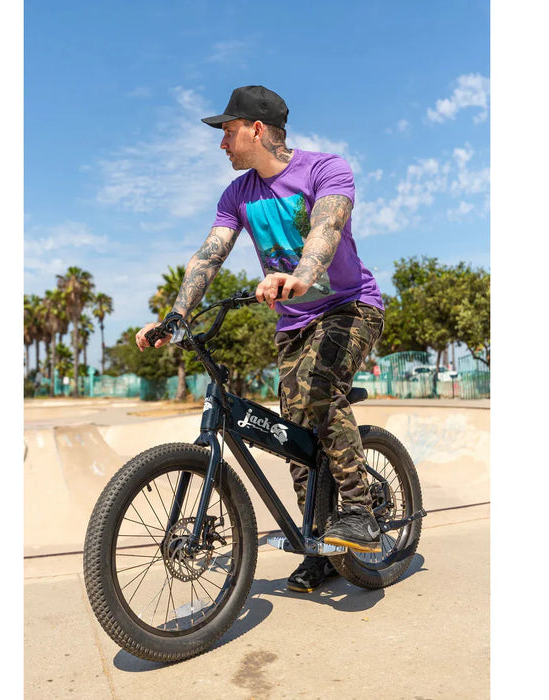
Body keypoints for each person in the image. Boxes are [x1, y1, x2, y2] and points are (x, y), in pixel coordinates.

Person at [136, 85, 385, 593]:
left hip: (348, 306)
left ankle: (360, 514)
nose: (221, 143)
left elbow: (325, 229)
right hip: (292, 324)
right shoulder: (237, 195)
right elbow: (209, 255)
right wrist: (175, 315)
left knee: (318, 389)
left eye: (227, 132)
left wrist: (301, 273)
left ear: (256, 129)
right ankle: (318, 544)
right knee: (293, 433)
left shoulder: (325, 169)